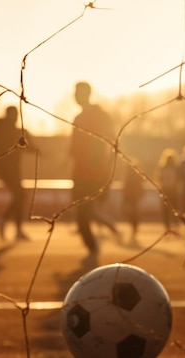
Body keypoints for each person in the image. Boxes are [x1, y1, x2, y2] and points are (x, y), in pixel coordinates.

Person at [69, 81, 116, 256]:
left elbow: (109, 144)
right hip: (80, 173)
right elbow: (74, 147)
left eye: (77, 92)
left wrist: (104, 172)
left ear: (85, 94)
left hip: (93, 174)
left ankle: (93, 249)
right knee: (83, 212)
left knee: (83, 213)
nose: (74, 96)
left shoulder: (100, 116)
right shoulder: (78, 118)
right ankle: (95, 243)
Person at [0, 106, 36, 241]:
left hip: (14, 169)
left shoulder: (16, 131)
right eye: (13, 115)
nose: (15, 118)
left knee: (19, 196)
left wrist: (38, 151)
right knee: (20, 195)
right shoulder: (1, 130)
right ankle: (8, 223)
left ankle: (8, 223)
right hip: (5, 169)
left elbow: (29, 147)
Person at [155, 148, 181, 231]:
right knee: (175, 210)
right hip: (174, 192)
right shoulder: (176, 168)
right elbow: (180, 180)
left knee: (165, 211)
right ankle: (176, 226)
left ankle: (167, 227)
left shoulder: (162, 168)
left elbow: (158, 179)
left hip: (165, 192)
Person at [121, 159, 145, 243]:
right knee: (134, 211)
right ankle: (134, 227)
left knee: (132, 211)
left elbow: (125, 183)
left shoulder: (128, 173)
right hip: (134, 194)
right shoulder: (137, 172)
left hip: (130, 194)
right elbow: (141, 182)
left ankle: (133, 226)